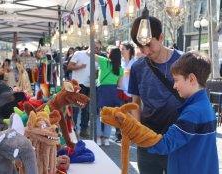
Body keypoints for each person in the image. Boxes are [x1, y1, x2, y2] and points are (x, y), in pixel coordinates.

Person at [115, 52, 218, 174]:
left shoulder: (193, 112)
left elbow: (164, 145)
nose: (174, 86)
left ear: (191, 79)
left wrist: (130, 126)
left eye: (176, 80)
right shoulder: (205, 107)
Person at [128, 16, 183, 174]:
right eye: (140, 46)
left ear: (161, 37)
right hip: (148, 139)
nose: (145, 51)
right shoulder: (137, 67)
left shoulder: (184, 61)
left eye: (149, 45)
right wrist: (137, 130)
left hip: (178, 139)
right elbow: (135, 102)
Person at [91, 46, 123, 146]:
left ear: (110, 54)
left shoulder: (104, 61)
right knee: (109, 115)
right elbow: (120, 84)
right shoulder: (120, 68)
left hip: (101, 91)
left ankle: (98, 137)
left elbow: (91, 54)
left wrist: (91, 47)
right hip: (112, 92)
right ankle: (106, 139)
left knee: (99, 114)